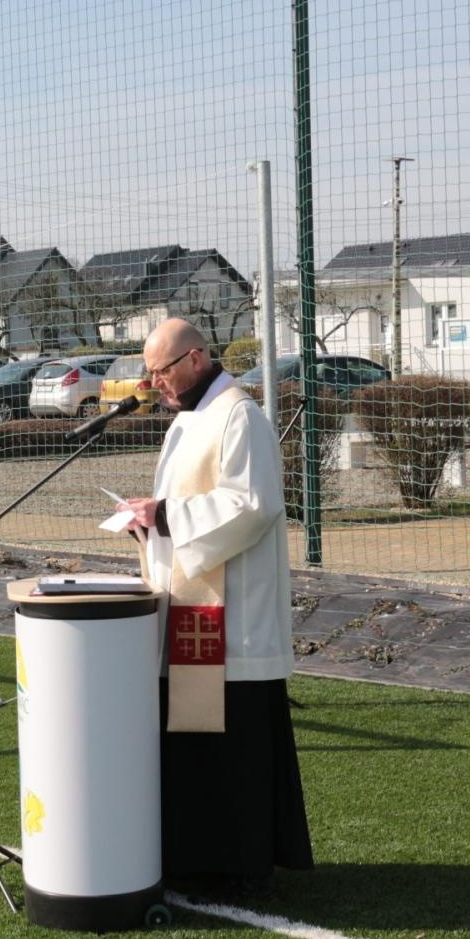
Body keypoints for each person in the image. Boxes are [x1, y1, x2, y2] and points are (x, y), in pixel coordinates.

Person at [116, 318, 312, 898]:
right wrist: (151, 521)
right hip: (194, 609)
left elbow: (252, 505)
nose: (154, 385)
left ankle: (238, 861)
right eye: (149, 373)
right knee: (193, 744)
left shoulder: (239, 414)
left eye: (162, 371)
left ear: (196, 358)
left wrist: (170, 517)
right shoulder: (191, 418)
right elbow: (184, 504)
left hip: (235, 620)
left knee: (233, 749)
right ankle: (194, 856)